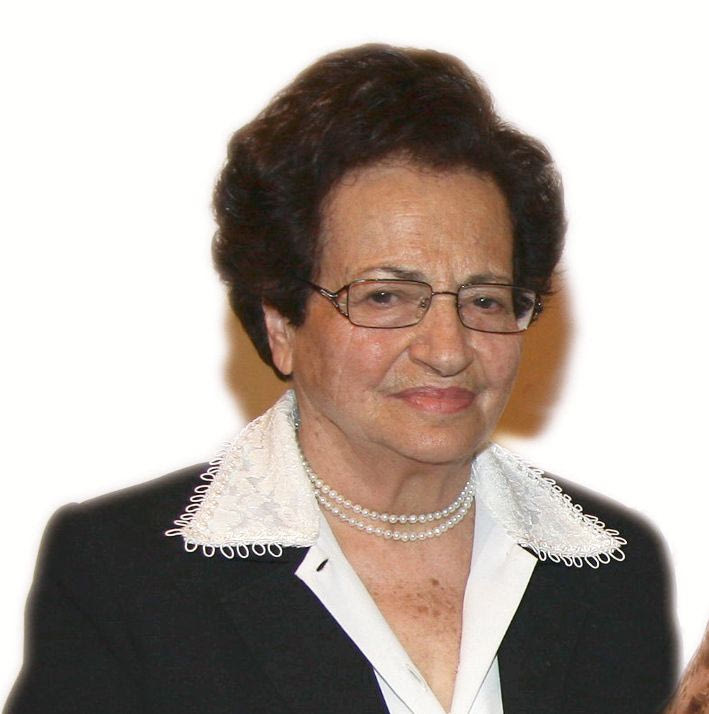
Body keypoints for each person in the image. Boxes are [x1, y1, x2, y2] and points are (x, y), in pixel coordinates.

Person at [5, 45, 677, 714]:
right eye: (384, 296)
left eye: (484, 300)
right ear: (281, 324)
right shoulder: (125, 575)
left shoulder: (612, 571)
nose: (448, 350)